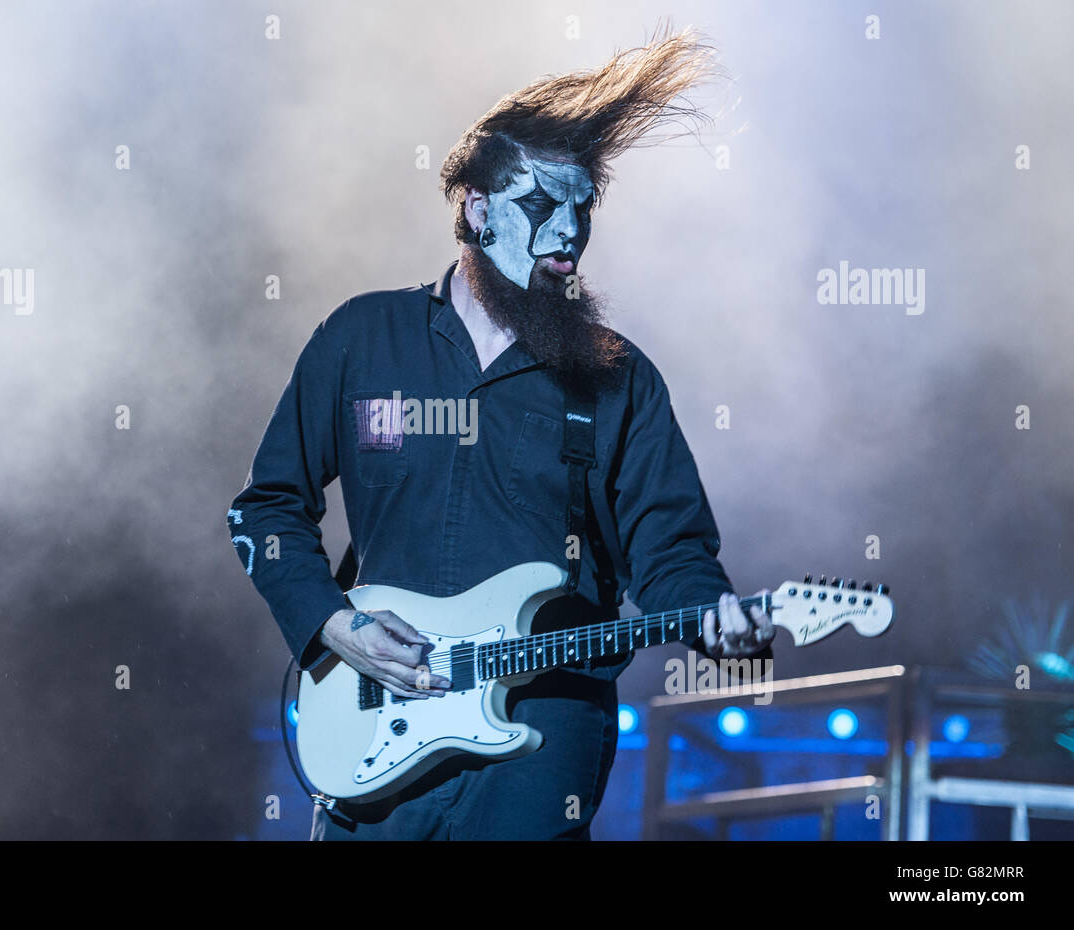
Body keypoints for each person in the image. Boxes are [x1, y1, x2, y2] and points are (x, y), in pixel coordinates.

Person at [228, 27, 773, 840]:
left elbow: (673, 553)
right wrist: (337, 627)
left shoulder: (618, 378)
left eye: (583, 208)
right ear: (476, 211)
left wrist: (716, 617)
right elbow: (266, 510)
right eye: (541, 205)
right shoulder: (361, 339)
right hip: (377, 723)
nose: (569, 234)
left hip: (542, 737)